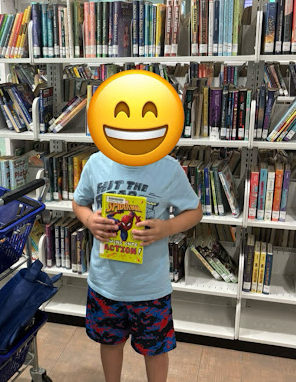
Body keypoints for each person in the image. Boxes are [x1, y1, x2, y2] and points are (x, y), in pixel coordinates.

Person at [72, 151, 202, 382]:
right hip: (106, 282)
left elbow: (195, 211)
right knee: (110, 344)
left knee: (155, 350)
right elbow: (79, 202)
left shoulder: (168, 168)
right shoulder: (96, 162)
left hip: (150, 287)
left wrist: (167, 228)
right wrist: (89, 220)